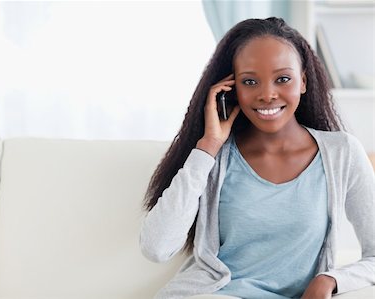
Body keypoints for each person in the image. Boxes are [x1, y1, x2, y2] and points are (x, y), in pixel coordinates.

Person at [140, 17, 375, 299]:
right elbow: (156, 247)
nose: (267, 94)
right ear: (232, 88)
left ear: (303, 81)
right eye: (250, 81)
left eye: (283, 79)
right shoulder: (215, 157)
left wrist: (330, 279)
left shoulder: (342, 153)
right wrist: (209, 145)